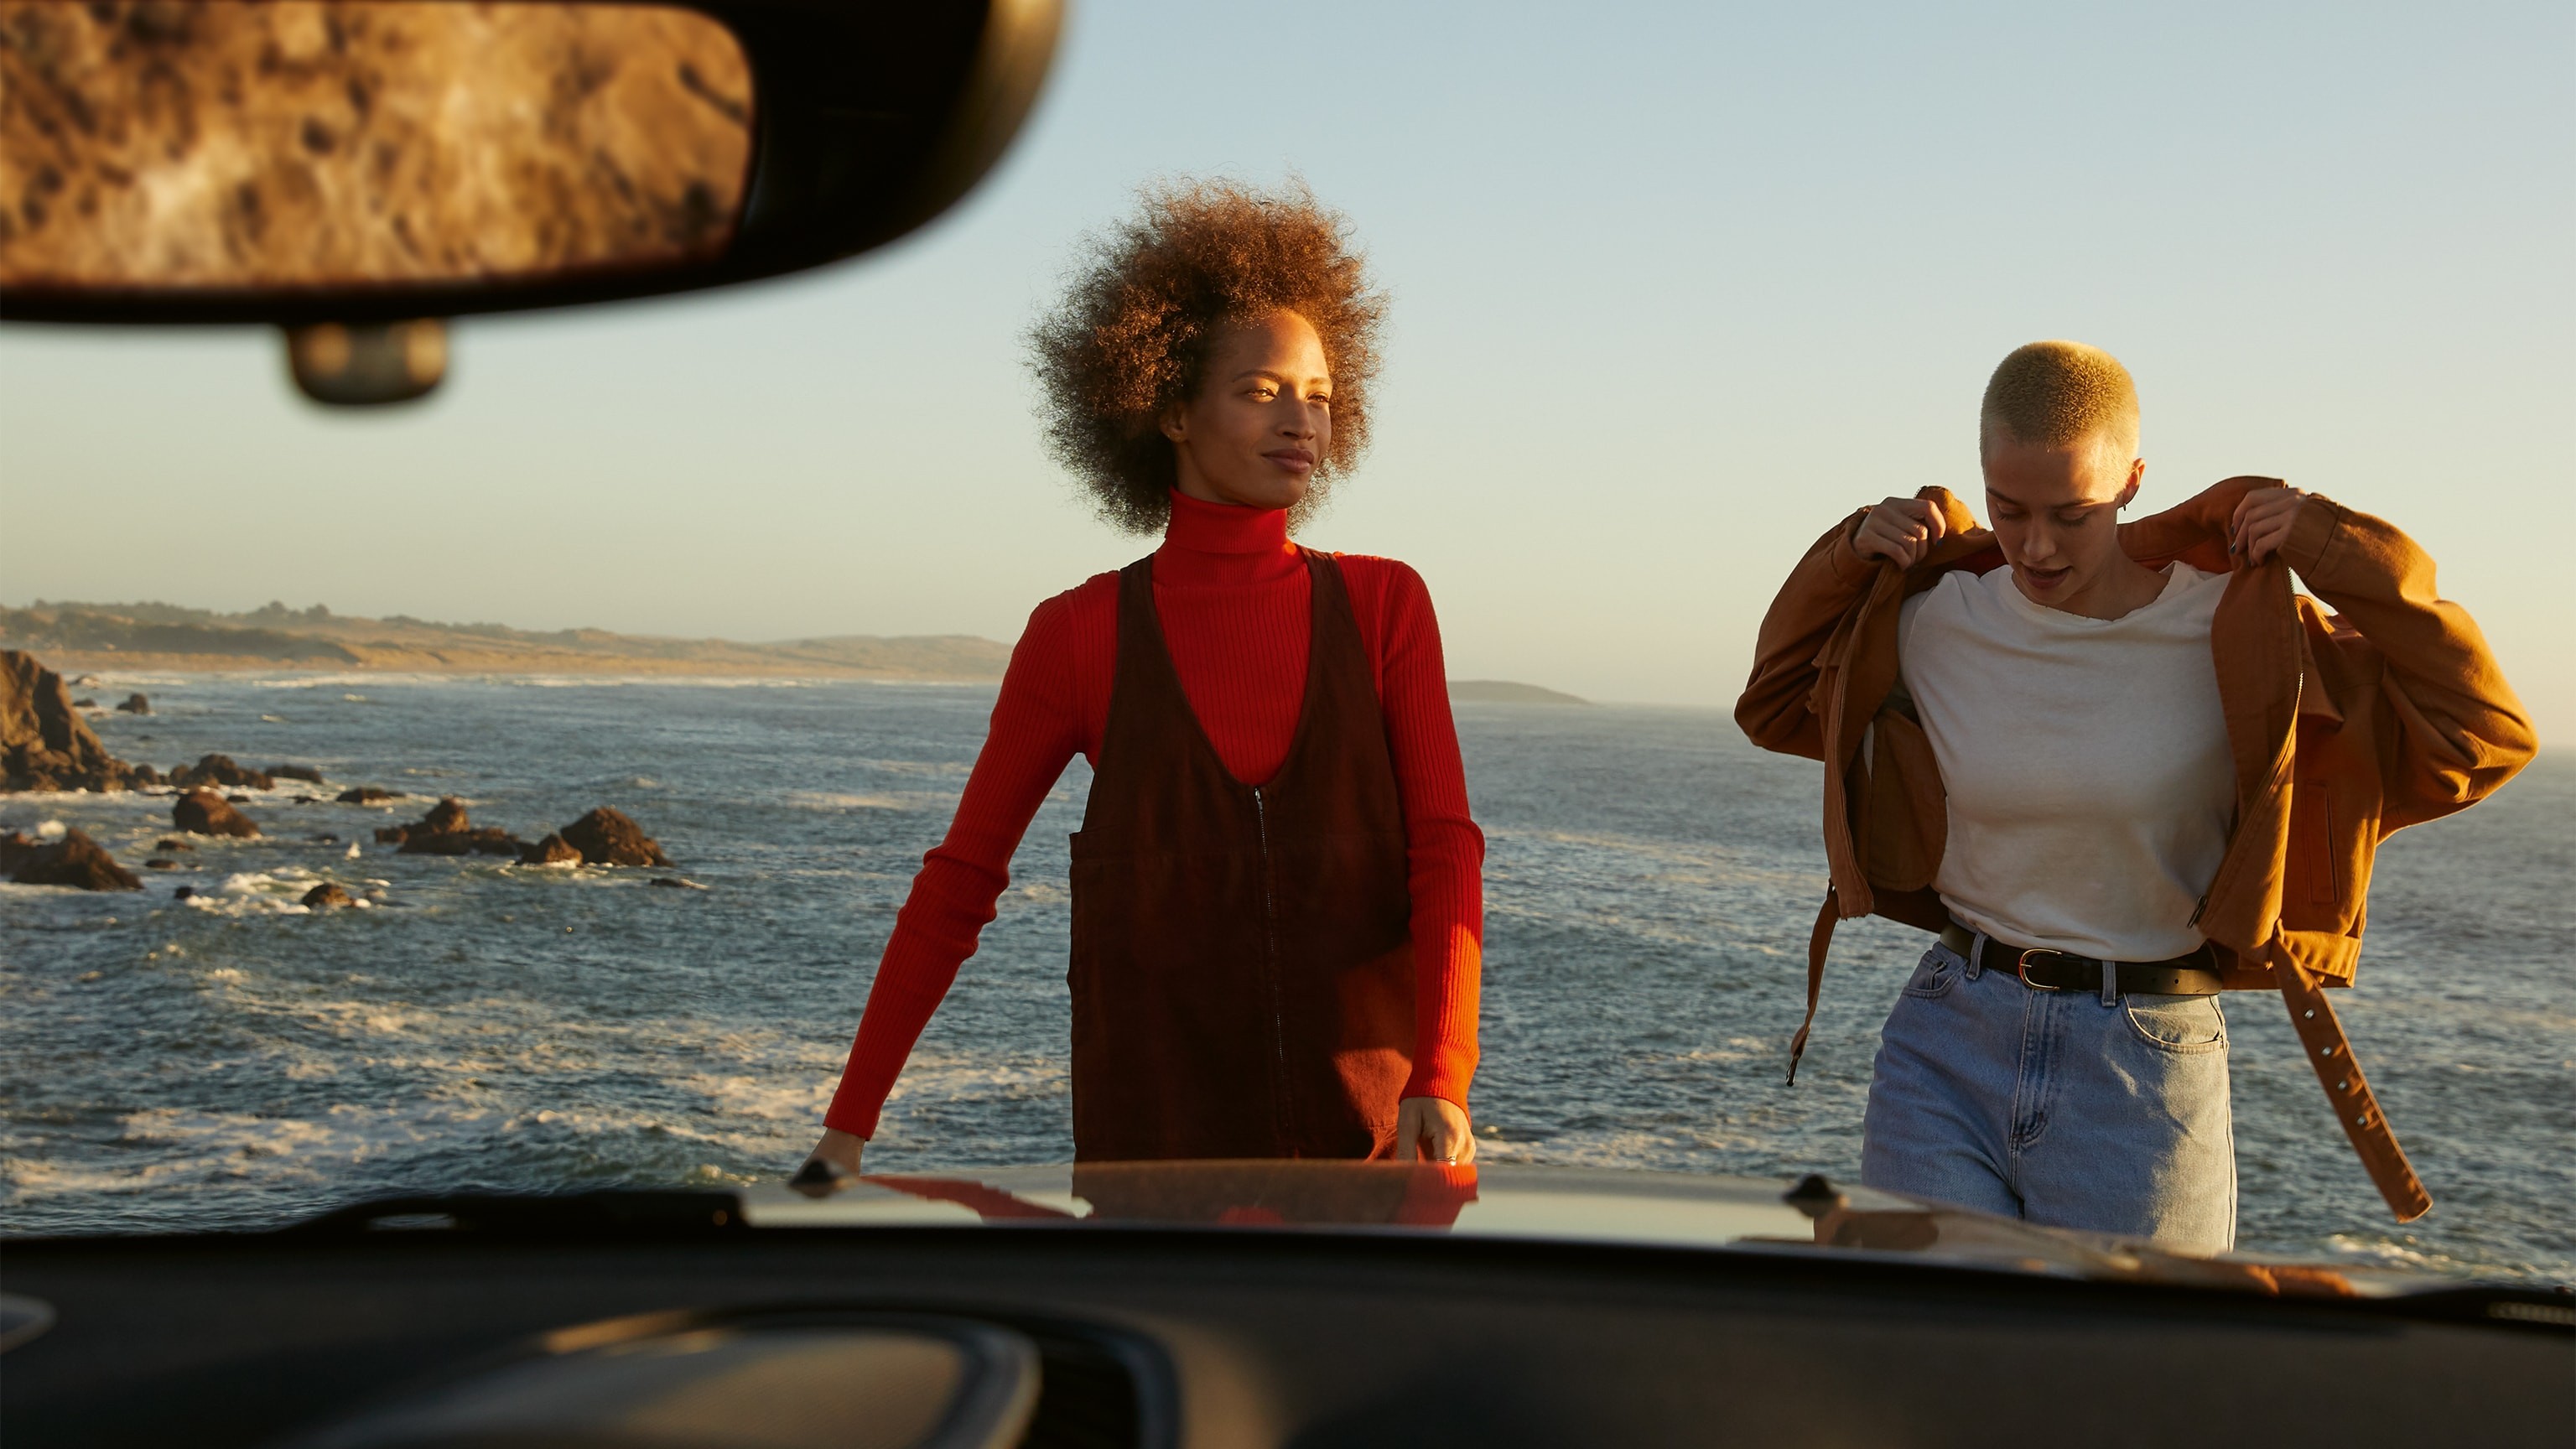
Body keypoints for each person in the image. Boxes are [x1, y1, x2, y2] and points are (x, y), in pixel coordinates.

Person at [1736, 340, 2533, 1251]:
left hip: (2146, 1061)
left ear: (2134, 482)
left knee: (2125, 1375)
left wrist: (2334, 547)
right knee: (1934, 1358)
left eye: (2072, 514)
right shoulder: (1933, 619)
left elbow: (2485, 733)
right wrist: (1847, 554)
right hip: (1948, 1036)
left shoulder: (2236, 625)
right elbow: (1772, 704)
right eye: (2009, 509)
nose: (2035, 545)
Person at [805, 180, 1483, 1176]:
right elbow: (959, 884)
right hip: (1152, 1180)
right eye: (1262, 391)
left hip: (1379, 1163)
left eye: (1321, 397)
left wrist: (1442, 1073)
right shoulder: (1078, 634)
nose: (1302, 421)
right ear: (1169, 406)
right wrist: (846, 1130)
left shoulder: (1387, 607)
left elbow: (1444, 852)